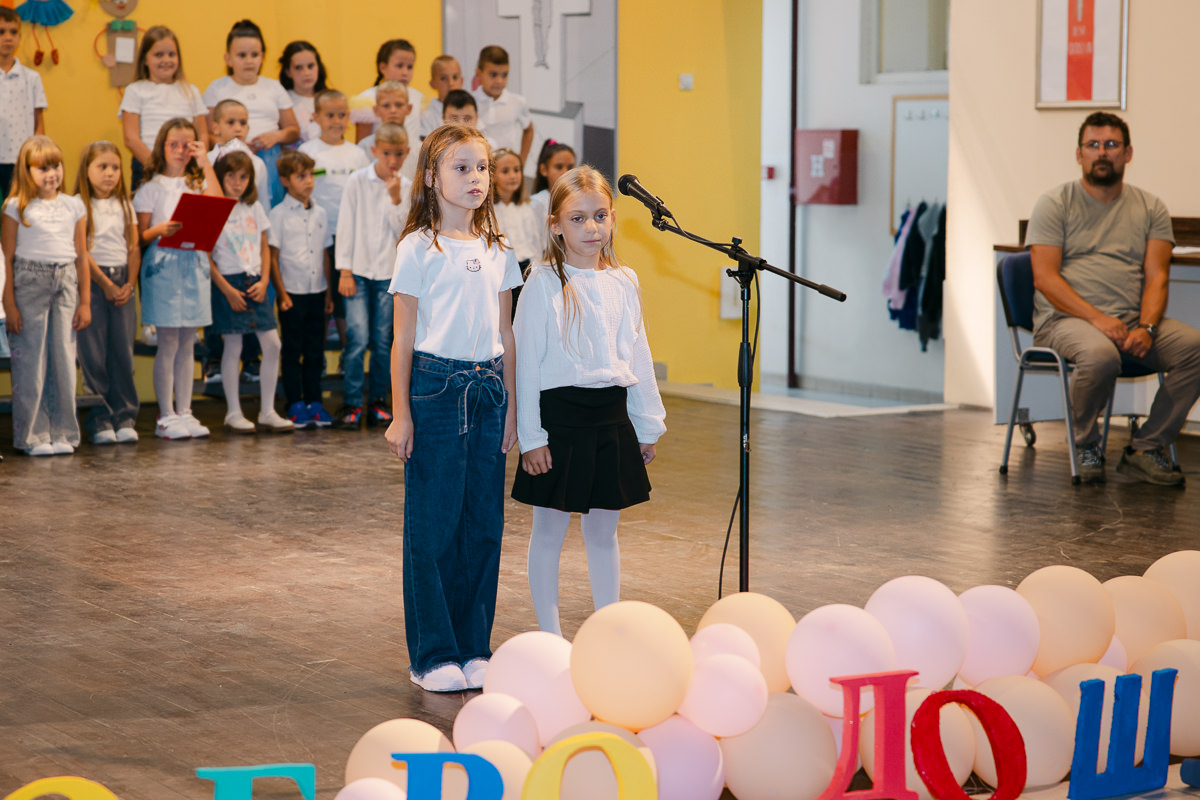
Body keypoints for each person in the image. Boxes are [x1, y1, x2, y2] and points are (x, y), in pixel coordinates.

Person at [386, 123, 520, 692]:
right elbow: (402, 338)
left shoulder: (499, 249)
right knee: (434, 526)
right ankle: (433, 654)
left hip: (489, 391)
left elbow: (506, 334)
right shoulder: (418, 247)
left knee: (483, 525)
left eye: (481, 167)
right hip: (436, 390)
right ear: (431, 177)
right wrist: (401, 414)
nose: (475, 178)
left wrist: (513, 407)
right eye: (461, 167)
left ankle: (473, 647)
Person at [511, 165, 666, 635]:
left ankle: (607, 629)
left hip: (611, 417)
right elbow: (525, 364)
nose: (591, 228)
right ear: (555, 225)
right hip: (559, 421)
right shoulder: (542, 281)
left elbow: (638, 354)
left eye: (600, 216)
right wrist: (531, 436)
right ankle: (551, 636)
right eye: (577, 219)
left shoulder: (625, 280)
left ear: (614, 218)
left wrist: (646, 423)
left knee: (603, 532)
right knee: (549, 532)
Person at [1029, 111, 1200, 486]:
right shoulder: (1054, 203)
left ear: (1128, 153)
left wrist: (1147, 327)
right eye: (1093, 145)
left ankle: (1146, 447)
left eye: (1111, 144)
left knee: (1194, 347)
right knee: (1100, 354)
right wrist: (1098, 320)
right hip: (1065, 321)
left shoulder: (1150, 207)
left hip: (1130, 322)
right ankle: (1085, 444)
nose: (1102, 152)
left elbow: (1157, 277)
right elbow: (1045, 279)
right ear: (1079, 154)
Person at [133, 117, 222, 440]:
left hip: (193, 263)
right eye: (174, 144)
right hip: (164, 265)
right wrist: (160, 230)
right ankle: (166, 413)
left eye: (188, 145)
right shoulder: (151, 187)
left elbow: (218, 204)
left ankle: (185, 410)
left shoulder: (197, 183)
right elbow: (140, 236)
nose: (181, 150)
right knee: (168, 341)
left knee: (188, 341)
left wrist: (205, 161)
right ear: (162, 146)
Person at [1, 135, 88, 456]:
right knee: (31, 361)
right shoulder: (15, 207)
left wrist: (85, 301)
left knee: (63, 358)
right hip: (29, 283)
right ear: (26, 171)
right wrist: (9, 304)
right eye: (42, 168)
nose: (52, 174)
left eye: (56, 166)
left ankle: (62, 431)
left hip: (66, 281)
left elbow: (81, 255)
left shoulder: (74, 205)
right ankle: (33, 435)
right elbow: (6, 259)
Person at [208, 151, 292, 435]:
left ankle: (267, 411)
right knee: (233, 346)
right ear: (220, 177)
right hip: (229, 281)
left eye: (243, 177)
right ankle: (233, 412)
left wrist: (265, 280)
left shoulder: (254, 207)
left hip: (255, 281)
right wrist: (227, 289)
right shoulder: (215, 208)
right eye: (230, 176)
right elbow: (206, 256)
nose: (237, 182)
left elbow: (265, 246)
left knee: (273, 344)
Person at [334, 122, 410, 429]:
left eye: (399, 154)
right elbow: (345, 225)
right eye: (387, 153)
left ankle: (378, 401)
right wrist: (345, 271)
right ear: (375, 150)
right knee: (357, 338)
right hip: (357, 271)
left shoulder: (406, 187)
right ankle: (352, 402)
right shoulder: (357, 181)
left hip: (389, 275)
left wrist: (396, 199)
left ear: (407, 153)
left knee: (382, 340)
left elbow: (405, 234)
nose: (393, 160)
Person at [75, 141, 140, 445]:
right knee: (94, 355)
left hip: (122, 281)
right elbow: (82, 251)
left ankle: (124, 416)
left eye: (115, 167)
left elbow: (133, 247)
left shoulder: (125, 205)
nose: (110, 173)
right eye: (102, 167)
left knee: (122, 353)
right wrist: (106, 284)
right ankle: (99, 419)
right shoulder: (78, 205)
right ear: (86, 170)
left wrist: (129, 283)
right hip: (93, 283)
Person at [203, 19, 299, 207]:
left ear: (262, 57)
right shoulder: (217, 89)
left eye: (254, 55)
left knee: (267, 206)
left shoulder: (273, 87)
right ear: (228, 58)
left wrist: (276, 136)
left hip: (269, 157)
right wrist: (236, 146)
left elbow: (293, 130)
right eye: (242, 55)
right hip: (229, 161)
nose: (249, 61)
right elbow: (208, 133)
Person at [270, 150, 333, 429]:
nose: (308, 181)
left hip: (317, 291)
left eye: (310, 175)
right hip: (292, 294)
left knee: (315, 351)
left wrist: (328, 292)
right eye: (300, 176)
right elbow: (273, 257)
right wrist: (281, 294)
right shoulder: (278, 215)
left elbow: (324, 253)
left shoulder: (321, 213)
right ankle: (294, 403)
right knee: (292, 350)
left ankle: (314, 402)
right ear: (285, 180)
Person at [119, 26, 207, 189]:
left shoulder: (190, 91)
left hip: (185, 167)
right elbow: (131, 139)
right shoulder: (135, 90)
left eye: (171, 54)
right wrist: (157, 168)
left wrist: (193, 162)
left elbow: (202, 134)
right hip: (147, 167)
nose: (166, 60)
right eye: (158, 55)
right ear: (145, 59)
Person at [300, 89, 369, 242]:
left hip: (351, 230)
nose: (337, 121)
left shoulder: (358, 154)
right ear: (316, 117)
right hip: (317, 229)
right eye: (330, 115)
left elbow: (366, 192)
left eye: (342, 115)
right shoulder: (306, 152)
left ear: (348, 116)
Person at [354, 39, 421, 183]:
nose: (405, 72)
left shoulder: (418, 98)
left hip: (409, 163)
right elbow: (362, 143)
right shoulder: (367, 98)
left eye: (409, 67)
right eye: (399, 66)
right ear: (383, 67)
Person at [0, 7, 47, 199]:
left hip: (20, 158)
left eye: (13, 32)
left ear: (19, 37)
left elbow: (39, 122)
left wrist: (37, 155)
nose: (8, 38)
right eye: (1, 32)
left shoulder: (31, 78)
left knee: (17, 208)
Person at [491, 147, 541, 314]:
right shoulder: (489, 212)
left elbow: (535, 242)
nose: (513, 175)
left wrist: (537, 271)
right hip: (503, 273)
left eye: (517, 170)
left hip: (527, 269)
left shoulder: (526, 208)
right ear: (492, 176)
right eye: (505, 171)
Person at [472, 45, 533, 166]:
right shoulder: (469, 102)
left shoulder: (517, 102)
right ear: (479, 73)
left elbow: (529, 130)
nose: (499, 81)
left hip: (508, 169)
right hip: (479, 168)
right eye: (493, 74)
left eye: (504, 75)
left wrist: (521, 162)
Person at [278, 40, 328, 145]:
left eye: (310, 66)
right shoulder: (282, 100)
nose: (306, 73)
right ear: (288, 72)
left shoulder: (328, 100)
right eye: (298, 68)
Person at [356, 80, 412, 159]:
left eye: (399, 105)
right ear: (376, 110)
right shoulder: (365, 146)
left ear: (409, 108)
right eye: (386, 106)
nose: (393, 110)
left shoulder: (419, 148)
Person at [529, 139, 576, 221]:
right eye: (559, 167)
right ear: (544, 170)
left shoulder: (579, 200)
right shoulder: (536, 203)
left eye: (570, 167)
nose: (565, 172)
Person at [419, 55, 463, 139]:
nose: (450, 83)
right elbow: (426, 143)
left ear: (461, 81)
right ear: (433, 84)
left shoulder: (469, 109)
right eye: (443, 78)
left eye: (455, 77)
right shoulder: (428, 115)